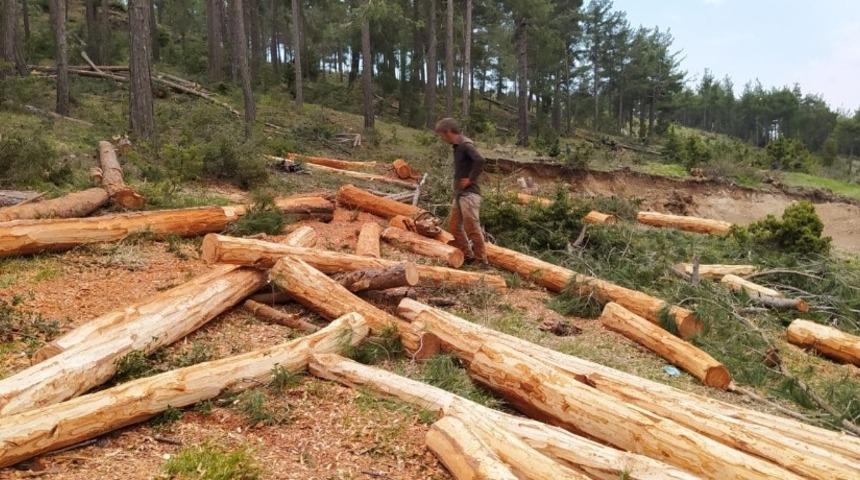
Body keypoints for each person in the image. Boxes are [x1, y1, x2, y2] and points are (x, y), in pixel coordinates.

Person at [434, 117, 488, 266]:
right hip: (460, 194)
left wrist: (470, 179)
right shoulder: (457, 146)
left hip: (470, 194)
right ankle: (468, 255)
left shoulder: (465, 145)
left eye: (441, 135)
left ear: (448, 132)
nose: (442, 138)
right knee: (454, 227)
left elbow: (480, 160)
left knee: (472, 227)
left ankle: (482, 260)